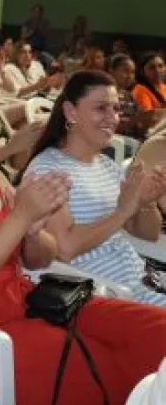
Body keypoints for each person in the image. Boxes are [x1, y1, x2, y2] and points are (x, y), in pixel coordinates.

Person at [0, 66, 166, 404]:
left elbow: (38, 258)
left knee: (156, 332)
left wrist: (34, 232)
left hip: (33, 302)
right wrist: (22, 217)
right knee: (110, 369)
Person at [23, 71, 166, 305]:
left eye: (116, 109)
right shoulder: (49, 170)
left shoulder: (108, 166)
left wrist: (146, 202)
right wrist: (122, 212)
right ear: (71, 112)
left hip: (142, 281)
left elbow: (147, 234)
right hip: (107, 293)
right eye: (101, 108)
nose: (112, 118)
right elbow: (64, 248)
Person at [110, 54, 158, 138]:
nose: (130, 76)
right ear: (112, 71)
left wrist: (146, 120)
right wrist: (137, 118)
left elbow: (140, 127)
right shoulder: (105, 96)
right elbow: (110, 129)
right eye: (126, 71)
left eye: (132, 72)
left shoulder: (129, 95)